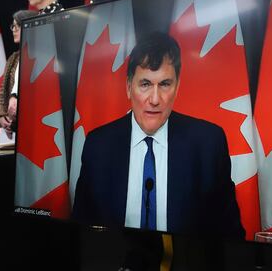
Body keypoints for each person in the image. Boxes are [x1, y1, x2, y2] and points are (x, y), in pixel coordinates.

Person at [73, 31, 245, 238]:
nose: (155, 99)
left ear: (177, 87)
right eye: (145, 84)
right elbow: (81, 234)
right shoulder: (98, 145)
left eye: (164, 84)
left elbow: (230, 237)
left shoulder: (209, 143)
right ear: (129, 87)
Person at [0, 9, 38, 133]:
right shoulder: (13, 58)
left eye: (18, 25)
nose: (14, 29)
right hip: (16, 126)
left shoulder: (40, 56)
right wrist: (1, 116)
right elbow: (3, 90)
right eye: (13, 26)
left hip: (33, 122)